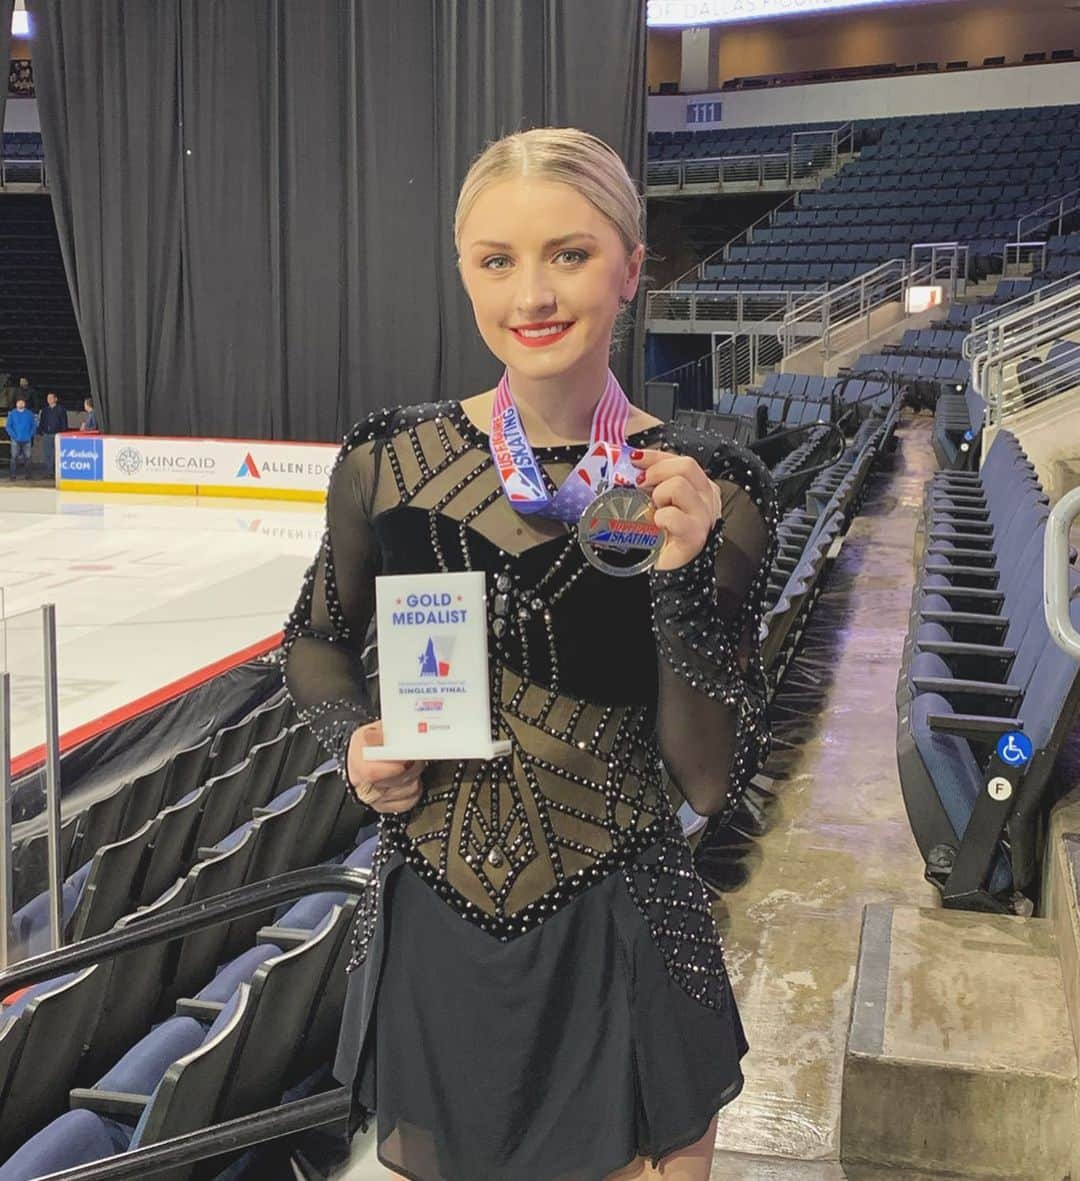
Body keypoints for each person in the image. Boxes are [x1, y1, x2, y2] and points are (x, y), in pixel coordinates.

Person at [283, 127, 777, 1181]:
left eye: (571, 252)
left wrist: (682, 580)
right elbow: (316, 638)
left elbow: (706, 776)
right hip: (436, 929)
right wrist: (353, 741)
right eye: (496, 259)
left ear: (632, 266)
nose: (532, 293)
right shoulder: (388, 463)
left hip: (624, 929)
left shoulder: (707, 485)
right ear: (464, 270)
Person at [38, 392, 69, 476]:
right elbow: (42, 422)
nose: (49, 400)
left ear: (56, 399)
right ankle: (49, 472)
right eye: (48, 398)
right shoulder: (45, 410)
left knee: (56, 454)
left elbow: (64, 423)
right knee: (47, 453)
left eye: (51, 398)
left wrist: (63, 433)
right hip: (46, 434)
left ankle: (56, 472)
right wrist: (40, 432)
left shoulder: (61, 410)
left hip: (57, 434)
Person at [6, 397, 36, 480]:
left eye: (22, 402)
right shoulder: (12, 413)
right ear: (16, 404)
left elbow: (33, 426)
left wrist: (30, 435)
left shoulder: (29, 413)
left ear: (24, 404)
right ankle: (13, 476)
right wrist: (14, 436)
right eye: (19, 402)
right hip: (15, 440)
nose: (20, 404)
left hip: (27, 440)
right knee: (14, 458)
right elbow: (8, 426)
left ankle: (28, 475)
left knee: (28, 458)